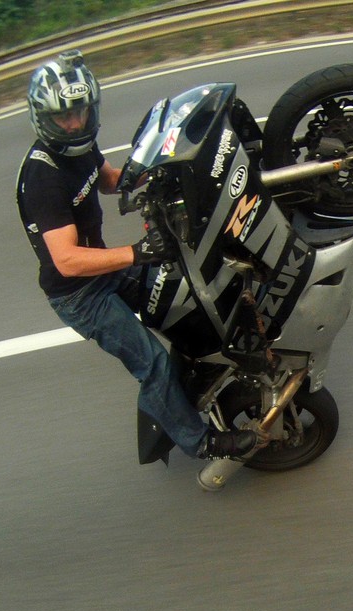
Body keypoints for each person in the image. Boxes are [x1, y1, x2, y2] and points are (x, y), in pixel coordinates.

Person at [16, 50, 256, 462]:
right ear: (43, 117)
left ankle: (199, 377)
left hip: (102, 272)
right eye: (63, 117)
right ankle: (201, 442)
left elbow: (108, 180)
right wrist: (137, 252)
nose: (74, 123)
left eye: (81, 112)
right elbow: (67, 261)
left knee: (179, 299)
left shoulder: (80, 147)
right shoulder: (44, 177)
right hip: (80, 296)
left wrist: (162, 165)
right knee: (152, 364)